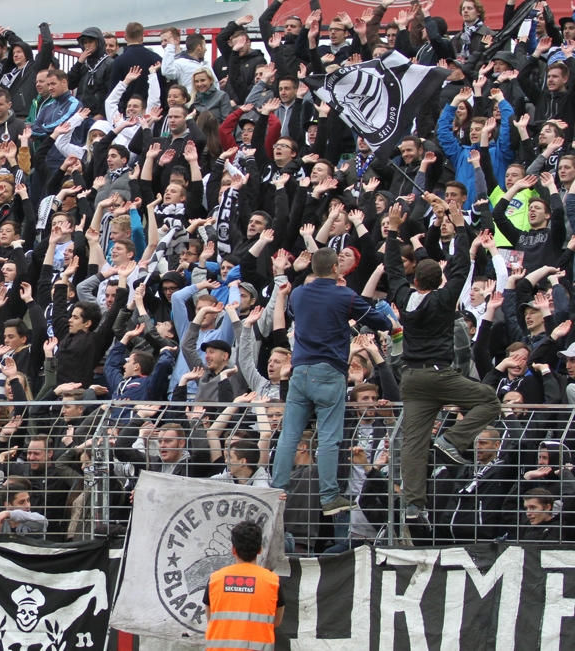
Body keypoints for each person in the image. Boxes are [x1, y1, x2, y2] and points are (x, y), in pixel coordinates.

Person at [385, 202, 501, 522]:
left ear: (416, 280)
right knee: (489, 400)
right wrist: (461, 226)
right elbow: (462, 265)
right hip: (440, 374)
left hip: (411, 378)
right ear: (440, 282)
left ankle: (413, 505)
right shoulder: (445, 297)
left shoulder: (404, 297)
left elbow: (394, 268)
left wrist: (394, 229)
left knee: (414, 442)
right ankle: (453, 439)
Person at [270, 250, 392, 516]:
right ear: (336, 268)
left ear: (312, 267)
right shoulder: (344, 295)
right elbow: (379, 320)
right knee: (328, 437)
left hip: (300, 371)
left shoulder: (300, 293)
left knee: (289, 435)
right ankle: (329, 497)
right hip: (329, 372)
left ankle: (276, 490)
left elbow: (291, 310)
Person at [204, 520, 283, 650]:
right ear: (260, 550)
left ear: (233, 549)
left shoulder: (215, 579)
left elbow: (211, 618)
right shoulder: (272, 581)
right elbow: (277, 621)